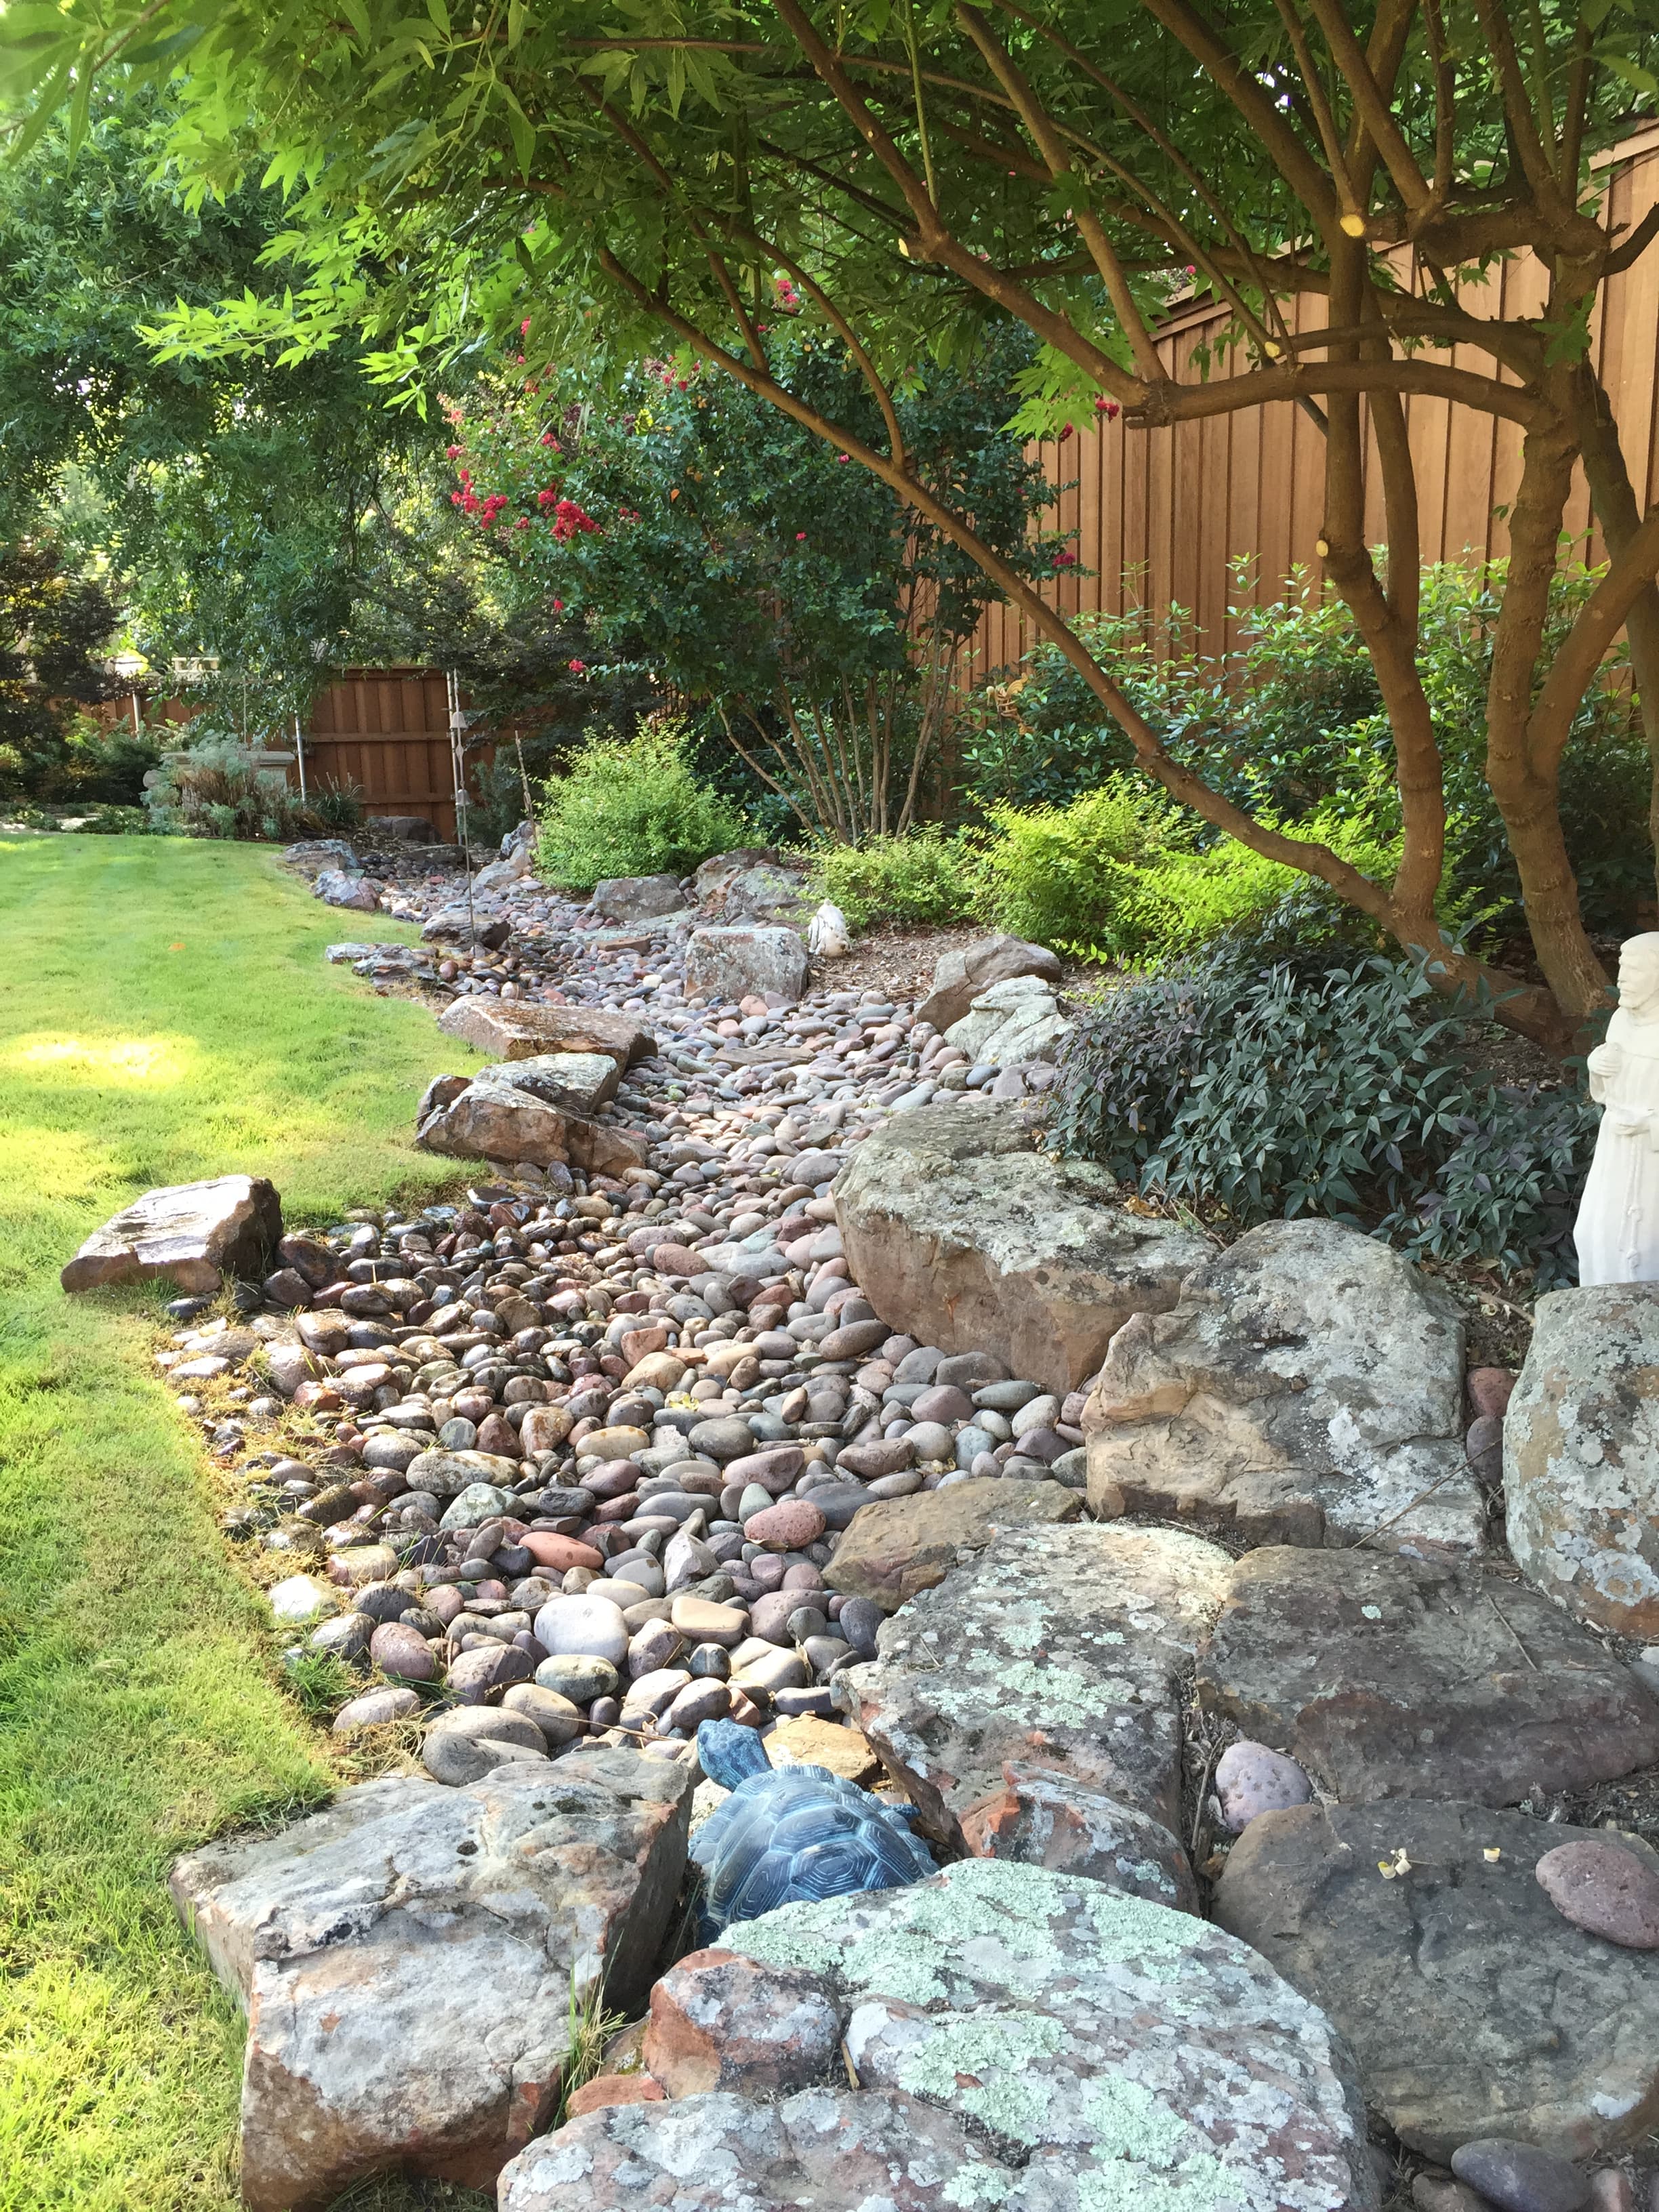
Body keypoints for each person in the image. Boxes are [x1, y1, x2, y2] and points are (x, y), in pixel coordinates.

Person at [1574, 932, 1659, 1284]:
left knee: (1647, 1242)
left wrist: (1650, 1125)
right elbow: (1609, 1088)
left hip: (1652, 1155)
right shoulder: (1621, 1021)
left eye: (1634, 970)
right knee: (1596, 1229)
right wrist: (1597, 1065)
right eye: (1621, 968)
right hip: (1617, 1148)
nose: (1621, 978)